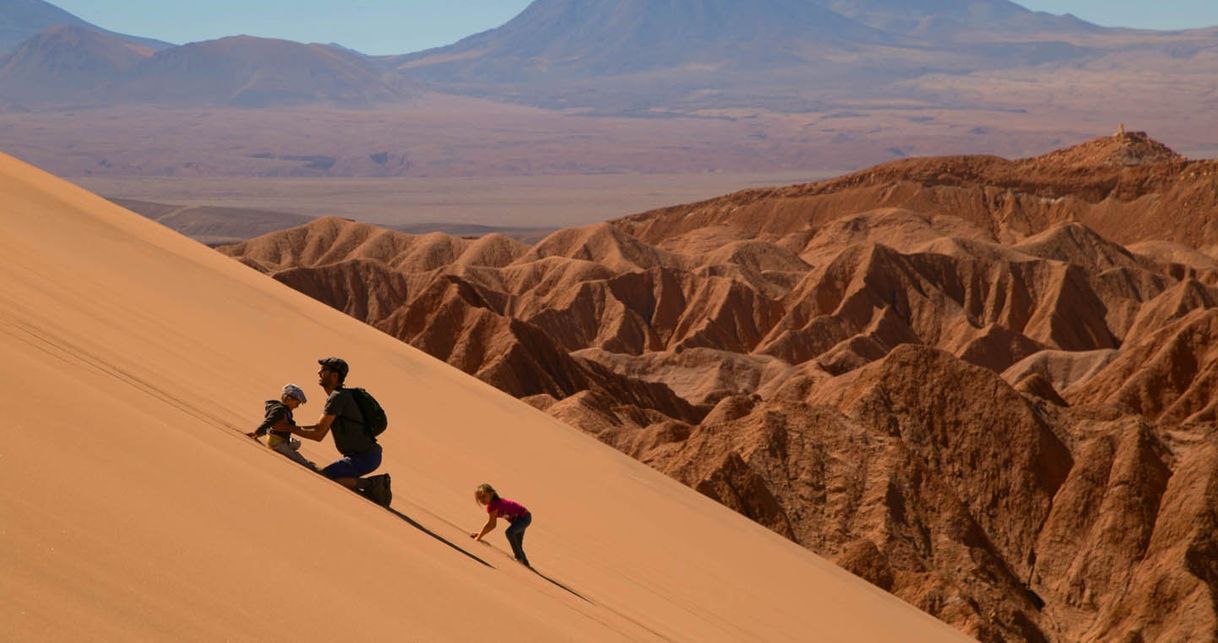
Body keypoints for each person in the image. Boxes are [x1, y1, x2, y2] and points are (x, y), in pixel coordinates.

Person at [291, 357, 391, 507]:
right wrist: (293, 428)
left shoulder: (337, 397)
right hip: (366, 456)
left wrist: (289, 428)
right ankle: (373, 488)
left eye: (324, 370)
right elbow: (319, 427)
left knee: (327, 477)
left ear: (334, 376)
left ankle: (374, 484)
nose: (319, 372)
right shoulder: (340, 396)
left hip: (365, 457)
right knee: (334, 478)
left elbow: (318, 434)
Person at [247, 384, 316, 470]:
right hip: (276, 443)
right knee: (297, 458)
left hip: (277, 440)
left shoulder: (284, 410)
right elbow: (269, 422)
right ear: (289, 399)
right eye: (297, 402)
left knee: (297, 443)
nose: (298, 406)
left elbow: (273, 426)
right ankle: (309, 466)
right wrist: (256, 433)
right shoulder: (280, 410)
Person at [470, 483, 532, 567]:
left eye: (484, 496)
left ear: (491, 493)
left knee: (509, 533)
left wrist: (479, 537)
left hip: (523, 518)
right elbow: (491, 524)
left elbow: (491, 525)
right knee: (517, 544)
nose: (482, 500)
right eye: (479, 498)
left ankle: (519, 559)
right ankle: (526, 565)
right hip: (524, 517)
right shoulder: (494, 504)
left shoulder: (494, 505)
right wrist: (479, 534)